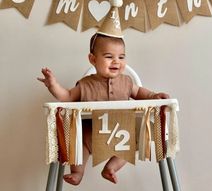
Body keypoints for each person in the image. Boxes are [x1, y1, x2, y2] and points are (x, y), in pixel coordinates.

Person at [38, 33, 169, 186]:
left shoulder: (126, 82)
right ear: (93, 59)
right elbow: (67, 96)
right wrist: (53, 85)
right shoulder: (85, 84)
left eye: (121, 57)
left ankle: (111, 167)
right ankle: (77, 172)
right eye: (109, 56)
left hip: (122, 133)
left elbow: (140, 93)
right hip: (90, 133)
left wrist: (154, 96)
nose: (116, 61)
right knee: (79, 143)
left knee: (135, 142)